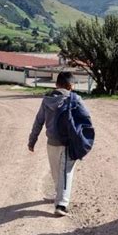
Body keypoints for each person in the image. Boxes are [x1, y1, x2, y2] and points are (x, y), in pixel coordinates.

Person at [28, 72, 90, 217]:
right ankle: (61, 204)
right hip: (67, 143)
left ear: (56, 85)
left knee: (56, 172)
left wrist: (32, 140)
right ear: (70, 86)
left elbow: (38, 121)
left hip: (51, 143)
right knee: (66, 172)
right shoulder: (75, 99)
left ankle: (59, 195)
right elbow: (86, 119)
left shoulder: (46, 100)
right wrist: (83, 140)